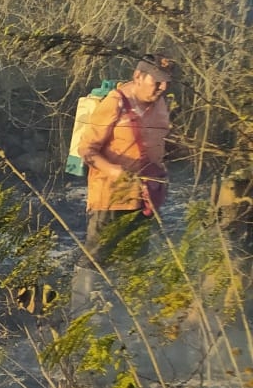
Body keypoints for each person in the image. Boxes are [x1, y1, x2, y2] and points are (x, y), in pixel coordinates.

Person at [72, 54, 178, 306]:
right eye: (158, 81)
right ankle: (77, 310)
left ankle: (130, 314)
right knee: (96, 256)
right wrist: (113, 171)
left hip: (143, 197)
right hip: (109, 196)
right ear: (138, 76)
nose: (163, 87)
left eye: (167, 83)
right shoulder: (115, 103)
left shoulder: (161, 105)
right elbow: (87, 149)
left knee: (136, 256)